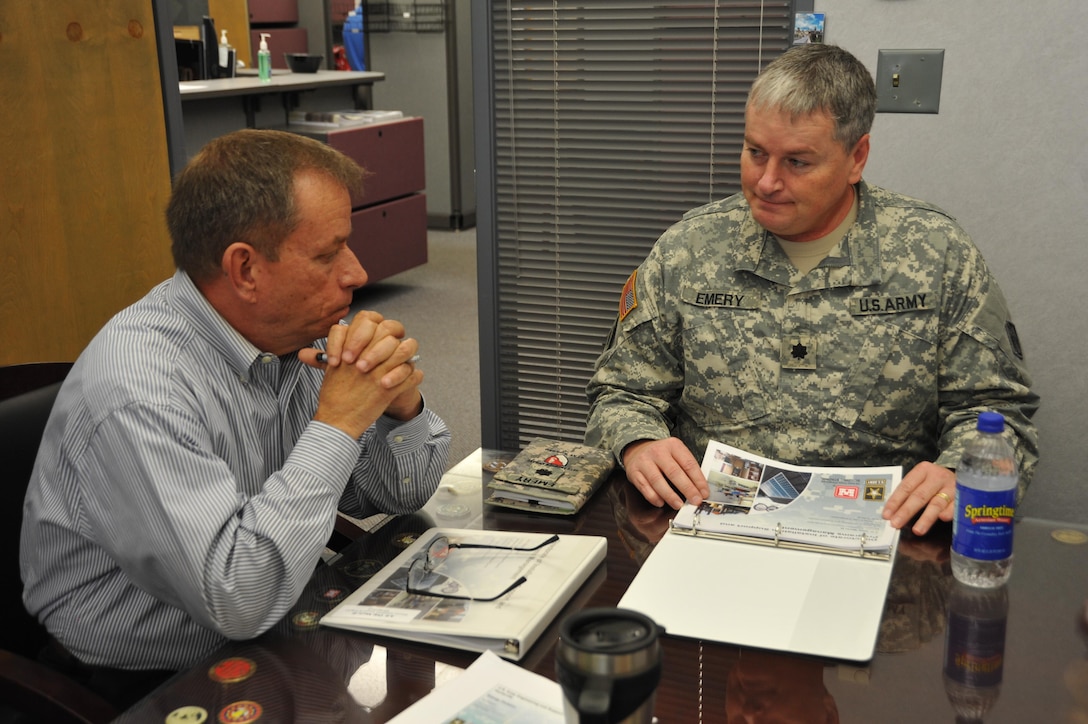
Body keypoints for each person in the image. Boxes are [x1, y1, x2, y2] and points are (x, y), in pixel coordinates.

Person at [20, 129, 450, 705]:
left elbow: (400, 494)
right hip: (156, 683)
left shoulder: (286, 334)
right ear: (245, 270)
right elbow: (240, 597)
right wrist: (339, 423)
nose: (356, 272)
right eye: (327, 254)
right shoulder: (137, 388)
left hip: (287, 629)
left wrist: (399, 408)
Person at [585, 44, 1038, 537]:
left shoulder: (936, 253)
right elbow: (622, 391)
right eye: (755, 152)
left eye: (798, 162)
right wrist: (637, 443)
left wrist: (958, 473)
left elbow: (996, 412)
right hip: (712, 526)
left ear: (856, 157)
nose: (766, 181)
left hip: (887, 537)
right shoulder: (689, 250)